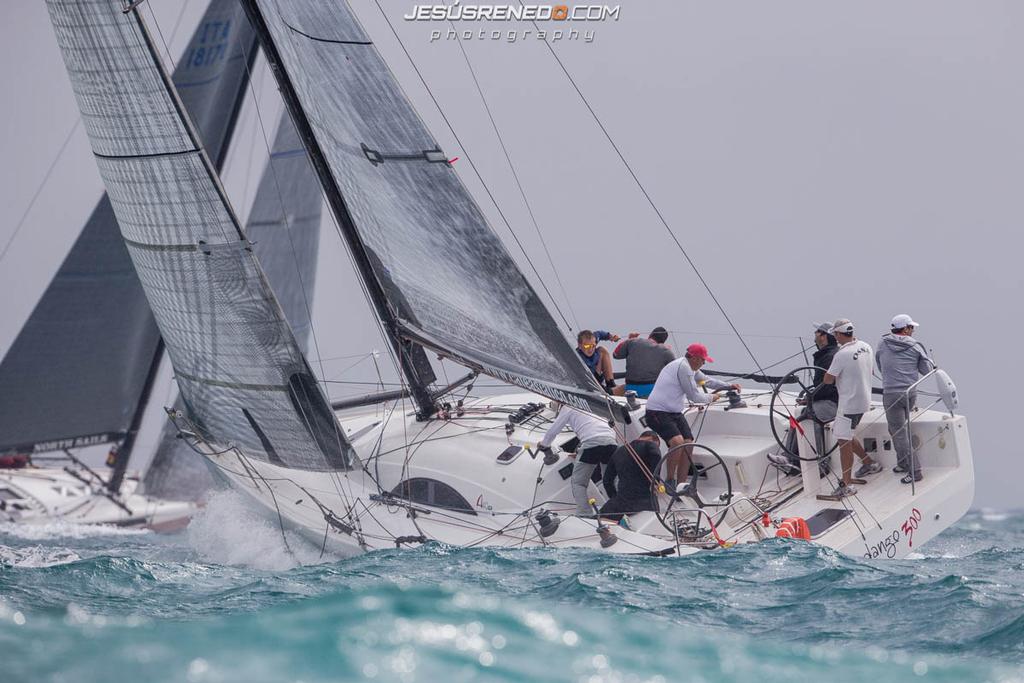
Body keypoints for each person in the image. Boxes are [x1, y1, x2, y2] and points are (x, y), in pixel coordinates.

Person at [644, 343, 740, 496]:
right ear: (695, 358)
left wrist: (729, 386)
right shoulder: (684, 368)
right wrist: (712, 397)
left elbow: (707, 380)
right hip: (657, 411)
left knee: (688, 443)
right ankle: (670, 480)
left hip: (674, 412)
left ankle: (682, 486)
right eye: (703, 360)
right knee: (677, 442)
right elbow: (694, 397)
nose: (704, 363)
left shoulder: (690, 367)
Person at [821, 319, 882, 497]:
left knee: (843, 441)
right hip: (864, 402)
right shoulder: (866, 346)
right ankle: (869, 463)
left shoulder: (842, 354)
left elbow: (828, 379)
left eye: (835, 334)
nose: (835, 337)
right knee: (845, 434)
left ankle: (846, 484)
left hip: (848, 404)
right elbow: (870, 371)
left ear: (839, 334)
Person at [769, 322, 839, 476]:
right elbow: (822, 386)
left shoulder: (830, 356)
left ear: (823, 335)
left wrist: (810, 397)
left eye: (816, 332)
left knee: (812, 418)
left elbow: (828, 387)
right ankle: (790, 460)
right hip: (824, 399)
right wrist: (810, 397)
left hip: (834, 402)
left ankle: (821, 463)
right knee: (798, 417)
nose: (814, 334)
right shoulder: (824, 355)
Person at [876, 314, 934, 484]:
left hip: (891, 393)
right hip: (909, 393)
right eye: (911, 328)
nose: (913, 331)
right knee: (898, 431)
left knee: (899, 432)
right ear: (905, 329)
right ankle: (906, 465)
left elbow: (880, 365)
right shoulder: (916, 347)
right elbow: (927, 370)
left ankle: (913, 469)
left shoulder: (882, 343)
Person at [537, 402, 618, 515]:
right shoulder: (587, 404)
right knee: (609, 479)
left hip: (591, 444)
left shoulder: (568, 407)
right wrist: (581, 452)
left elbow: (553, 431)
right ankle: (620, 506)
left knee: (578, 483)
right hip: (611, 441)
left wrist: (544, 445)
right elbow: (596, 429)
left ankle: (585, 513)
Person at [600, 431, 663, 521]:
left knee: (598, 518)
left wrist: (615, 498)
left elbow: (607, 480)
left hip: (621, 503)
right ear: (653, 440)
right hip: (645, 503)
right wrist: (656, 482)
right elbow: (656, 454)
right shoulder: (650, 445)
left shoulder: (618, 451)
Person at [610, 326, 676, 398]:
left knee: (617, 389)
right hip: (651, 391)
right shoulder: (665, 350)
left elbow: (615, 355)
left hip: (630, 388)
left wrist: (629, 339)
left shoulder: (633, 341)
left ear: (650, 335)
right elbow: (676, 372)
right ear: (663, 341)